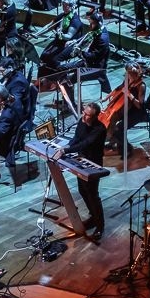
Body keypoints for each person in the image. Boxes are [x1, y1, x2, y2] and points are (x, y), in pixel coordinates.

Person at [55, 101, 106, 240]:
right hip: (81, 160)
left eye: (88, 115)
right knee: (83, 190)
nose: (84, 116)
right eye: (84, 112)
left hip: (93, 164)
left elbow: (85, 143)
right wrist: (66, 147)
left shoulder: (100, 129)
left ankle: (100, 226)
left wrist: (66, 150)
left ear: (95, 117)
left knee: (93, 194)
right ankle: (93, 217)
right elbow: (76, 138)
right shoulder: (82, 122)